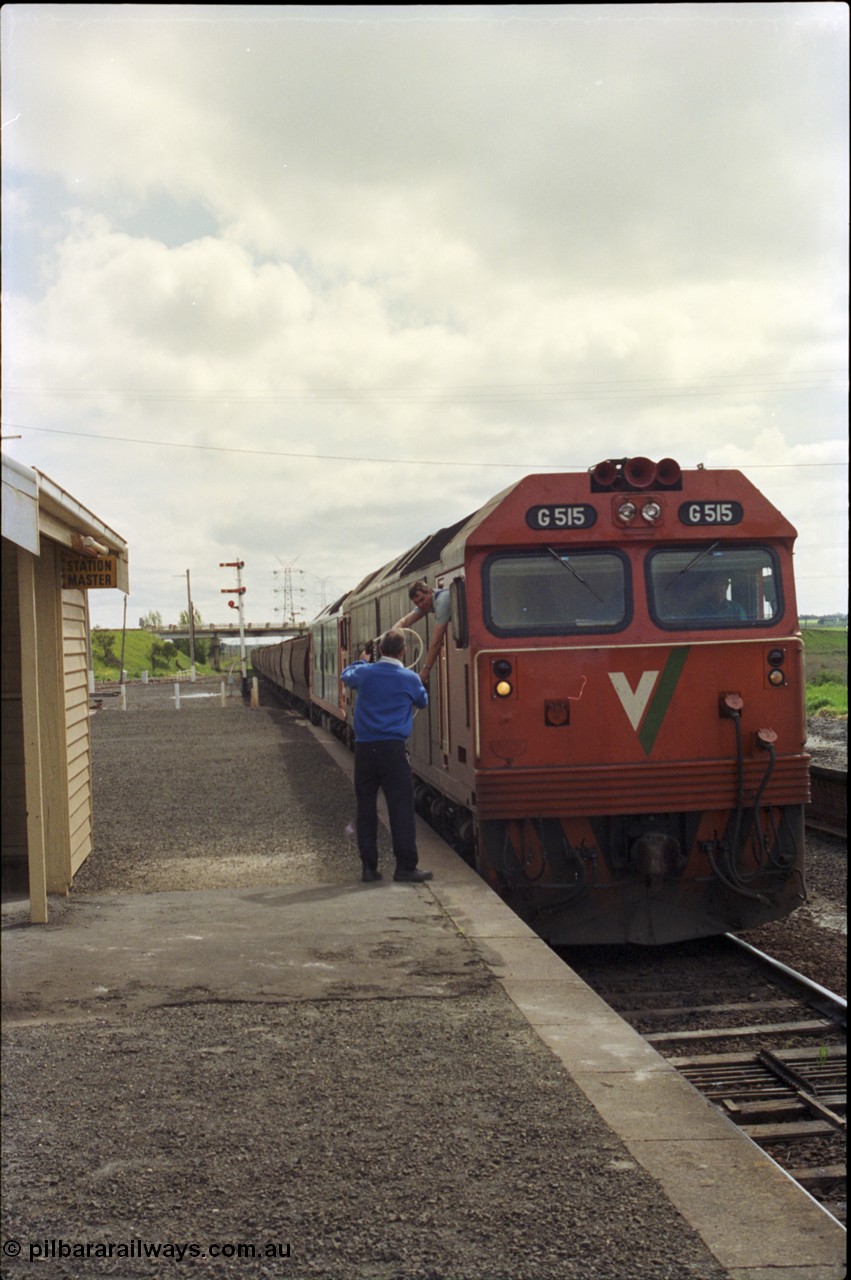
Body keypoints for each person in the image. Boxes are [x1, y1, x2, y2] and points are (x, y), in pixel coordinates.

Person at [340, 629, 433, 884]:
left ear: (379, 651)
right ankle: (405, 867)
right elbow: (422, 701)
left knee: (366, 809)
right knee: (401, 808)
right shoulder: (409, 677)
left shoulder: (365, 673)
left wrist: (361, 659)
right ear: (403, 651)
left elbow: (345, 675)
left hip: (365, 750)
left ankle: (369, 868)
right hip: (393, 750)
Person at [394, 579, 451, 684]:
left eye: (422, 600)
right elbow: (405, 621)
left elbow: (436, 642)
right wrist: (392, 634)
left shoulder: (442, 601)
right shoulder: (428, 602)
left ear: (429, 591)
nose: (420, 605)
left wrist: (425, 671)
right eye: (416, 603)